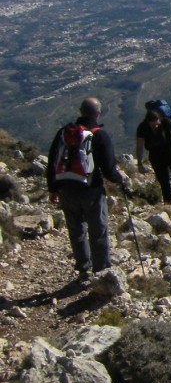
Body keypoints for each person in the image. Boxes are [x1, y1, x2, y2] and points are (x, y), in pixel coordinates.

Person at [46, 97, 129, 280]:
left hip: (67, 187)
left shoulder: (64, 132)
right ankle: (101, 270)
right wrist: (120, 180)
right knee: (98, 229)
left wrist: (53, 188)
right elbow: (108, 169)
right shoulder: (99, 135)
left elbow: (53, 161)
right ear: (98, 113)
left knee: (76, 229)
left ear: (81, 111)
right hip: (91, 189)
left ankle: (83, 268)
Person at [135, 108, 171, 205]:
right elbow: (139, 146)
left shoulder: (167, 123)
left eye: (157, 123)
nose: (155, 126)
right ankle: (168, 202)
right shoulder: (142, 128)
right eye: (152, 124)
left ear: (159, 120)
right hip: (156, 155)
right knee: (163, 180)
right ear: (148, 122)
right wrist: (139, 163)